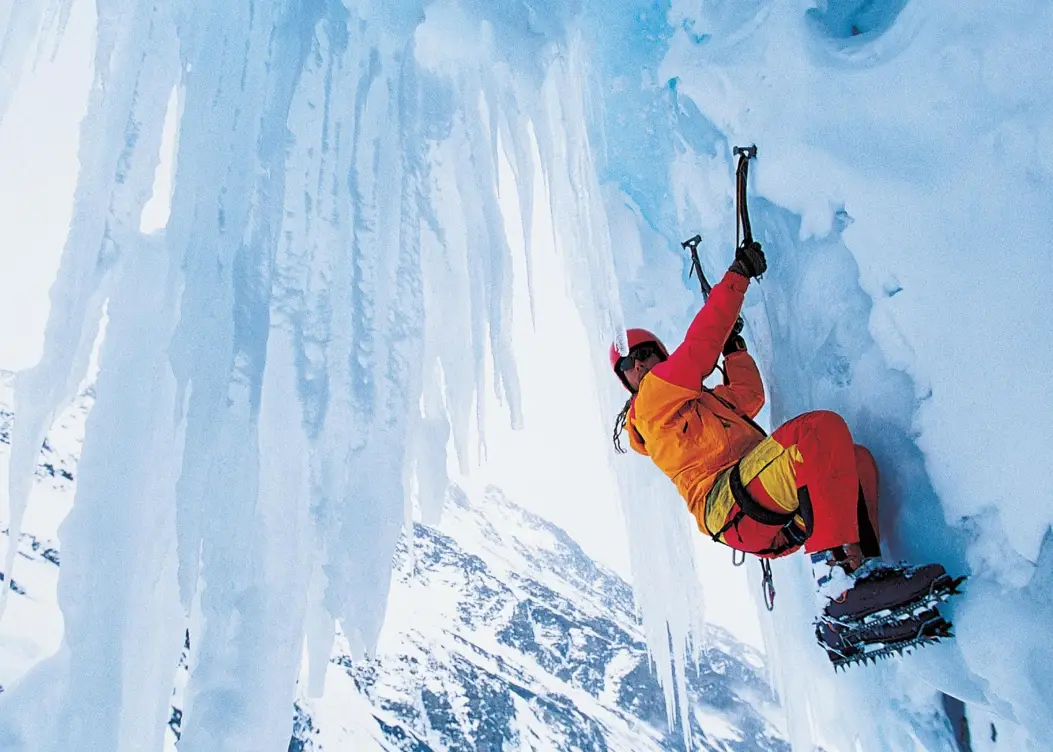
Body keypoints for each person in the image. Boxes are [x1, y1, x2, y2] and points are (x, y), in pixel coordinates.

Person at [609, 241, 946, 616]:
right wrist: (737, 278)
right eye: (627, 364)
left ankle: (863, 575)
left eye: (642, 354)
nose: (637, 364)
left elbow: (749, 397)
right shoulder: (651, 403)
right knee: (816, 432)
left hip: (761, 511)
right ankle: (838, 589)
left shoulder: (703, 405)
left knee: (856, 461)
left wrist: (734, 349)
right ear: (628, 383)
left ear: (659, 354)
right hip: (733, 504)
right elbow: (697, 352)